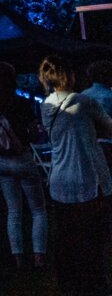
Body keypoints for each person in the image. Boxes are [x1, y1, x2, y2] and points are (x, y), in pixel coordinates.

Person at [39, 55, 112, 296]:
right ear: (68, 75)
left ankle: (68, 283)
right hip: (87, 178)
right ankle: (94, 284)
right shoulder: (83, 101)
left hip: (59, 180)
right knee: (93, 237)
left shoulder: (46, 105)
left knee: (67, 237)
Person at [0, 61, 46, 269]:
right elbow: (33, 132)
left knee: (13, 211)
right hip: (22, 157)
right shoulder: (21, 103)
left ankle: (18, 258)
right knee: (38, 209)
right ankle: (39, 256)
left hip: (1, 161)